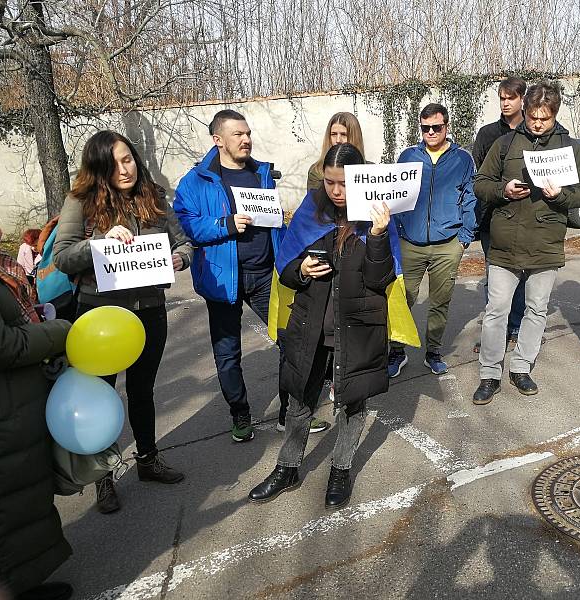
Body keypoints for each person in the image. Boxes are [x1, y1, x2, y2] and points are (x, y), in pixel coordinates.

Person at [248, 143, 395, 509]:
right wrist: (300, 270)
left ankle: (341, 469)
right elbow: (285, 266)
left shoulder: (377, 211)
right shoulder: (311, 210)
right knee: (300, 398)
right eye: (330, 182)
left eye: (343, 183)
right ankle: (288, 468)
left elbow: (381, 279)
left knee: (351, 402)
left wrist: (377, 235)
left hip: (358, 326)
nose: (336, 191)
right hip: (312, 324)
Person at [54, 130, 192, 514]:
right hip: (100, 316)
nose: (125, 168)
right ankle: (103, 479)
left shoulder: (154, 195)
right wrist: (98, 245)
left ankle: (148, 460)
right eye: (114, 163)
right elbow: (63, 256)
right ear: (99, 168)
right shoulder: (80, 201)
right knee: (101, 396)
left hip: (149, 310)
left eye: (128, 158)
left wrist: (181, 258)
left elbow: (183, 243)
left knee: (143, 389)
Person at [174, 109, 329, 443]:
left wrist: (293, 251)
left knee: (292, 341)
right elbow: (187, 224)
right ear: (218, 140)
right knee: (228, 354)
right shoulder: (195, 181)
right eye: (237, 135)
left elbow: (276, 220)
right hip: (222, 280)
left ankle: (291, 413)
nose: (246, 140)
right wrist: (225, 224)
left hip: (265, 275)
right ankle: (240, 414)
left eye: (247, 133)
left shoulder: (261, 173)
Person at [472, 81, 580, 404]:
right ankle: (489, 374)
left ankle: (521, 367)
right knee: (496, 310)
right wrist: (503, 190)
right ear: (525, 111)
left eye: (545, 118)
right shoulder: (504, 143)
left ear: (555, 114)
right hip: (504, 242)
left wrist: (561, 195)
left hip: (545, 243)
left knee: (536, 309)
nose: (538, 123)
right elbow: (480, 184)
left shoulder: (570, 147)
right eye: (533, 117)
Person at [0, 228, 74, 600]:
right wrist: (59, 331)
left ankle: (24, 584)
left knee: (18, 504)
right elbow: (5, 345)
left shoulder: (2, 264)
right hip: (5, 412)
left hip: (16, 407)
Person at [388, 103, 477, 377]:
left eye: (436, 127)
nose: (430, 132)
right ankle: (396, 352)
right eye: (425, 128)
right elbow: (393, 195)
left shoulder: (462, 159)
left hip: (447, 243)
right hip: (410, 243)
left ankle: (433, 352)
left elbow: (471, 197)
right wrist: (397, 230)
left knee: (440, 301)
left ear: (446, 127)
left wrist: (464, 238)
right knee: (402, 298)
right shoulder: (407, 157)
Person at [472, 77, 527, 352]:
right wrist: (502, 190)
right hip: (493, 219)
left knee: (521, 278)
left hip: (526, 220)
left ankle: (517, 328)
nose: (506, 103)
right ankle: (496, 332)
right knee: (495, 280)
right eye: (502, 98)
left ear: (522, 99)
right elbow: (481, 179)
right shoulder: (487, 134)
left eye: (511, 98)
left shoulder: (535, 132)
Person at [307, 112, 366, 192]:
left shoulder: (371, 171)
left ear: (355, 137)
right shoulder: (317, 171)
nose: (338, 140)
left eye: (344, 135)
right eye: (333, 134)